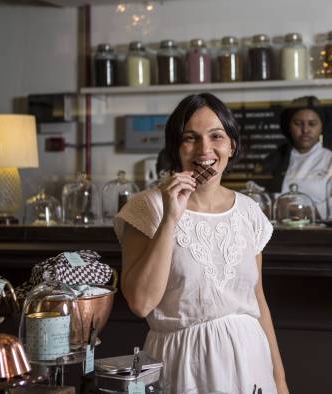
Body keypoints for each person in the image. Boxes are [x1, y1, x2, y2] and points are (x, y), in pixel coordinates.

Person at [114, 93, 289, 394]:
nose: (204, 149)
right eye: (190, 138)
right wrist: (171, 217)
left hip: (251, 363)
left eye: (216, 136)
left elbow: (258, 301)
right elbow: (141, 303)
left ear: (231, 146)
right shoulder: (146, 208)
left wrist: (280, 380)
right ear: (175, 148)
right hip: (184, 365)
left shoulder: (248, 211)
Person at [263, 96, 332, 219]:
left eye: (312, 124)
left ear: (322, 127)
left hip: (318, 233)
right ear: (289, 126)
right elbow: (255, 196)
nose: (305, 130)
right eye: (298, 124)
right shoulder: (274, 160)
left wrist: (303, 211)